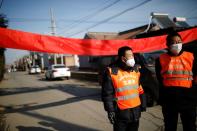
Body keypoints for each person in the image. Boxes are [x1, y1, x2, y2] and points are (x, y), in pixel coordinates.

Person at [155, 31, 197, 131]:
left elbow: (195, 77)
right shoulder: (160, 59)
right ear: (168, 45)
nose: (177, 44)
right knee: (170, 127)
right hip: (169, 100)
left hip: (188, 99)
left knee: (190, 126)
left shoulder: (191, 57)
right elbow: (160, 79)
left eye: (179, 41)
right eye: (174, 42)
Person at [102, 46, 146, 131]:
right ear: (123, 58)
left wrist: (143, 102)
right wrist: (110, 111)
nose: (132, 58)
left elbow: (139, 88)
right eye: (130, 56)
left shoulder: (136, 70)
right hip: (121, 115)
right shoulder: (112, 72)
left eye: (132, 55)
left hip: (136, 113)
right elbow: (107, 95)